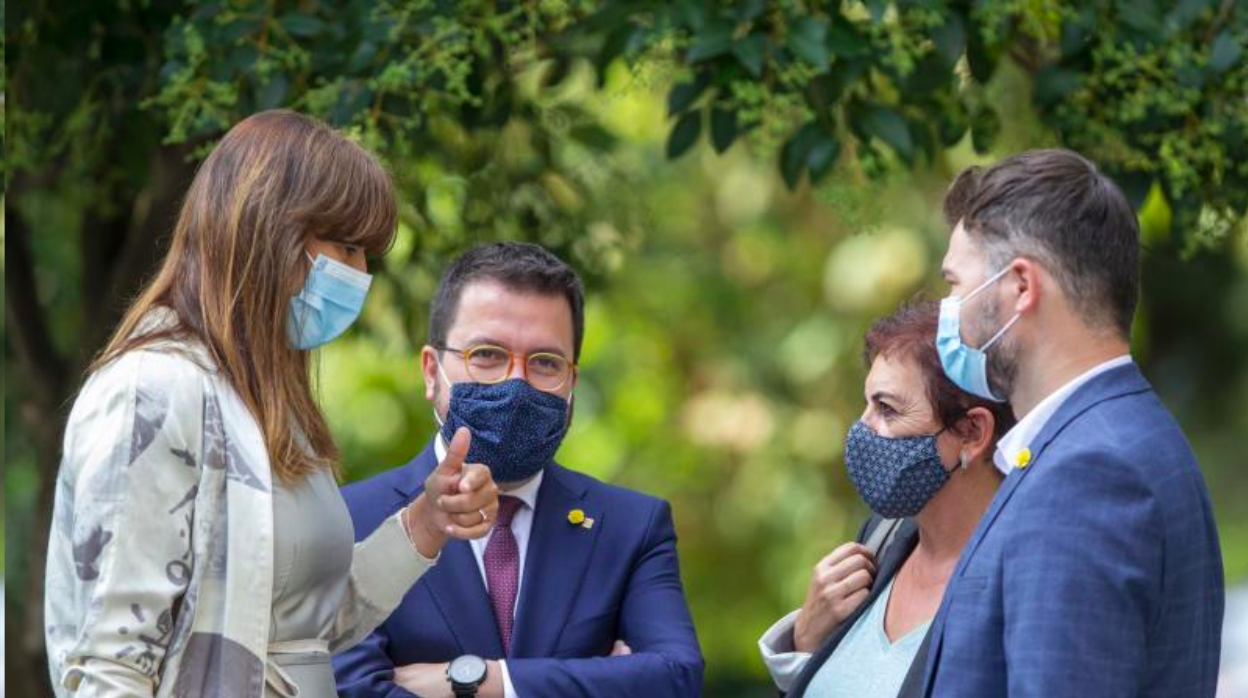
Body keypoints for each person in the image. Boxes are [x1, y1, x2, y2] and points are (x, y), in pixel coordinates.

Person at [43, 110, 501, 698]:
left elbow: (305, 630)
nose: (360, 274)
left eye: (367, 254)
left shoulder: (262, 406)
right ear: (268, 230)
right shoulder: (154, 390)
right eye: (345, 245)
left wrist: (426, 523)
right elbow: (111, 667)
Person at [332, 242, 705, 698]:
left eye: (545, 363)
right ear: (432, 372)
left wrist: (480, 682)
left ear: (572, 382)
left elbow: (676, 679)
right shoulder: (346, 520)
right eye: (486, 355)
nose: (515, 382)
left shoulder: (631, 529)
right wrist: (600, 681)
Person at [921, 149, 1224, 696]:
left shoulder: (1087, 474)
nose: (949, 308)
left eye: (955, 284)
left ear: (1019, 288)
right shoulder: (1118, 438)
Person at [758, 301, 1014, 697]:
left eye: (886, 409)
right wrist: (806, 640)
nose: (862, 428)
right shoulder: (881, 541)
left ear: (971, 432)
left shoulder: (1021, 578)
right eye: (867, 404)